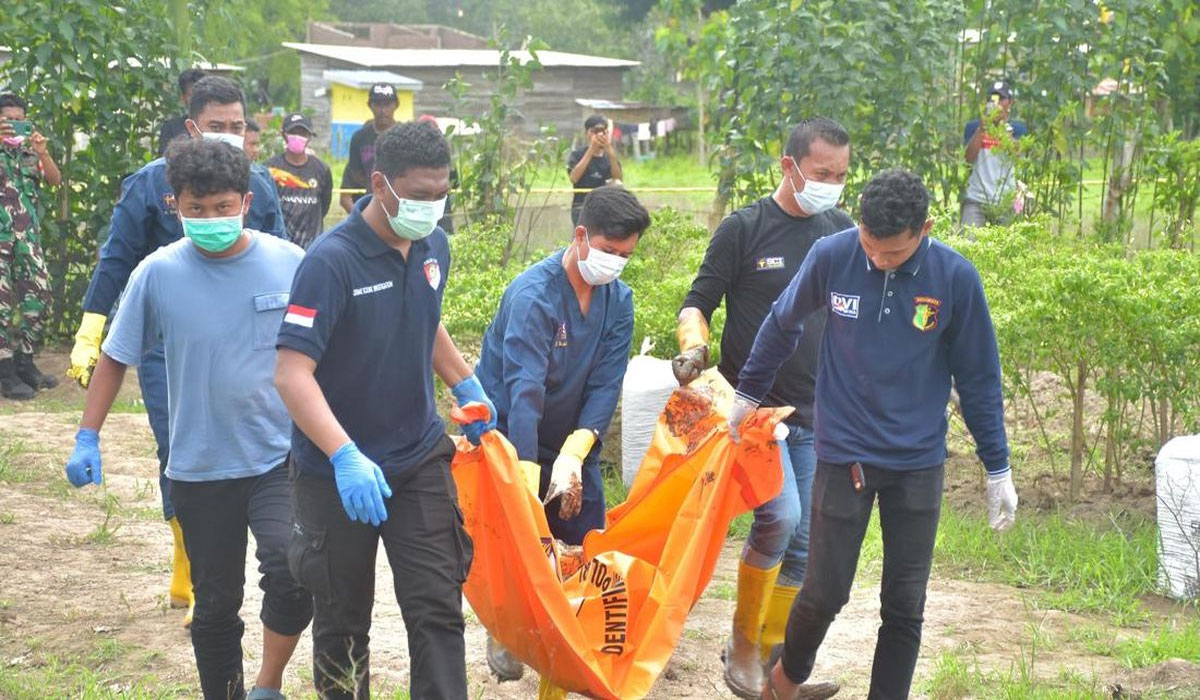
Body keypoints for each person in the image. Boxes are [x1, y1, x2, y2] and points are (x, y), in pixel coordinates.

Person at [731, 169, 1019, 699]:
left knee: (905, 604)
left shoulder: (955, 278)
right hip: (845, 454)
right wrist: (749, 392)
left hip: (918, 462)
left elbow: (979, 377)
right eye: (870, 245)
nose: (879, 259)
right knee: (825, 591)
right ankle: (784, 681)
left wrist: (997, 466)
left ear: (925, 229)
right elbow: (783, 321)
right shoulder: (833, 255)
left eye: (893, 253)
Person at [63, 138, 311, 700]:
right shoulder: (158, 273)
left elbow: (327, 348)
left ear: (246, 202)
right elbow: (116, 357)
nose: (211, 219)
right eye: (196, 208)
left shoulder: (290, 263)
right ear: (174, 205)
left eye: (223, 206)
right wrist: (87, 435)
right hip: (199, 467)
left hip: (278, 457)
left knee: (293, 571)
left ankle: (268, 684)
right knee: (216, 603)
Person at [274, 120, 493, 699]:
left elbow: (424, 317)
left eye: (441, 194)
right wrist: (344, 455)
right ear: (379, 184)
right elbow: (291, 373)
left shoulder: (434, 246)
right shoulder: (330, 262)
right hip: (336, 473)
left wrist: (466, 383)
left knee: (438, 608)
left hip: (417, 455)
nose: (432, 207)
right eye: (419, 195)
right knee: (342, 622)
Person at [68, 74, 286, 628]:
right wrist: (93, 327)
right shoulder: (151, 186)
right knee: (180, 446)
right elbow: (117, 259)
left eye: (237, 125)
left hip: (248, 337)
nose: (229, 134)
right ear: (192, 127)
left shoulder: (258, 184)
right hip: (169, 346)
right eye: (217, 125)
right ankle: (189, 553)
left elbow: (286, 262)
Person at [674, 117, 852, 699]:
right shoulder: (744, 229)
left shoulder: (842, 231)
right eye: (822, 173)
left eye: (841, 175)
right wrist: (693, 346)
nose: (832, 184)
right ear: (789, 167)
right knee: (782, 518)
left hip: (815, 414)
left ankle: (777, 664)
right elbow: (696, 303)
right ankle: (742, 646)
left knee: (805, 545)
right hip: (751, 415)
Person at [474, 184, 649, 681]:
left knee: (584, 539)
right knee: (520, 538)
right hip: (513, 431)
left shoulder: (619, 301)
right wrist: (526, 472)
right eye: (610, 251)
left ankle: (566, 658)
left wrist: (577, 450)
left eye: (626, 255)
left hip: (573, 433)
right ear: (580, 236)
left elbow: (606, 382)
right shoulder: (534, 295)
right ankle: (508, 626)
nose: (616, 263)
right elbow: (523, 388)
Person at [0, 93, 62, 399]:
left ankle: (24, 361)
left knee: (40, 297)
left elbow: (55, 180)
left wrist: (43, 153)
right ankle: (4, 370)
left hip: (28, 239)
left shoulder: (28, 153)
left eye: (19, 119)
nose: (14, 124)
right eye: (8, 119)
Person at [961, 80, 1028, 228]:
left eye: (1001, 99)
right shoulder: (974, 127)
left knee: (1006, 241)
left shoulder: (1017, 128)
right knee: (967, 239)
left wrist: (1002, 126)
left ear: (1009, 103)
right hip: (976, 199)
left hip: (1005, 202)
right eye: (993, 98)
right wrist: (982, 128)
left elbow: (1017, 156)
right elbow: (968, 159)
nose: (996, 103)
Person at [267, 113, 333, 249]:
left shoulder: (321, 169)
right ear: (283, 135)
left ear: (309, 137)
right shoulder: (270, 168)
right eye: (293, 132)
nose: (298, 137)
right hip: (278, 246)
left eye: (302, 133)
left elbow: (324, 206)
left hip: (311, 247)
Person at [339, 83, 398, 214]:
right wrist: (361, 218)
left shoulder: (404, 135)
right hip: (368, 204)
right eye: (378, 104)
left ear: (396, 105)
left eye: (387, 104)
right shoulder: (359, 138)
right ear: (370, 105)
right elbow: (353, 174)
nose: (383, 110)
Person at [567, 114, 623, 226]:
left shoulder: (609, 156)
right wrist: (591, 150)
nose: (599, 134)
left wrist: (610, 151)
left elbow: (617, 180)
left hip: (605, 207)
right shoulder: (577, 154)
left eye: (603, 131)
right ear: (586, 133)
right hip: (581, 207)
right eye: (595, 131)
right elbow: (574, 178)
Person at [157, 68, 208, 158]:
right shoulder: (171, 127)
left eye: (203, 95)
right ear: (183, 98)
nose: (199, 100)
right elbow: (165, 160)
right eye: (193, 95)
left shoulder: (221, 124)